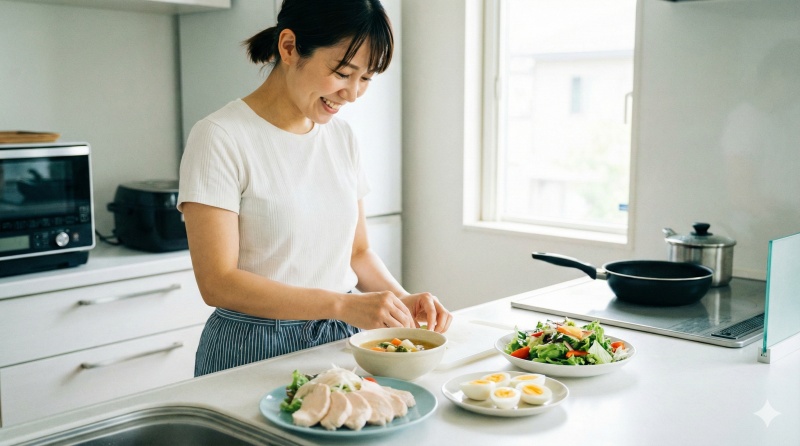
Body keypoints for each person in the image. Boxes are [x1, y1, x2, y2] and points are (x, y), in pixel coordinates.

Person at [177, 0, 452, 377]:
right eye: (343, 73)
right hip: (252, 345)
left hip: (341, 340)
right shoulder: (219, 137)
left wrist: (401, 300)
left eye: (366, 78)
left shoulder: (341, 137)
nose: (352, 94)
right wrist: (341, 305)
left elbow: (357, 252)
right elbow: (217, 283)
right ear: (289, 47)